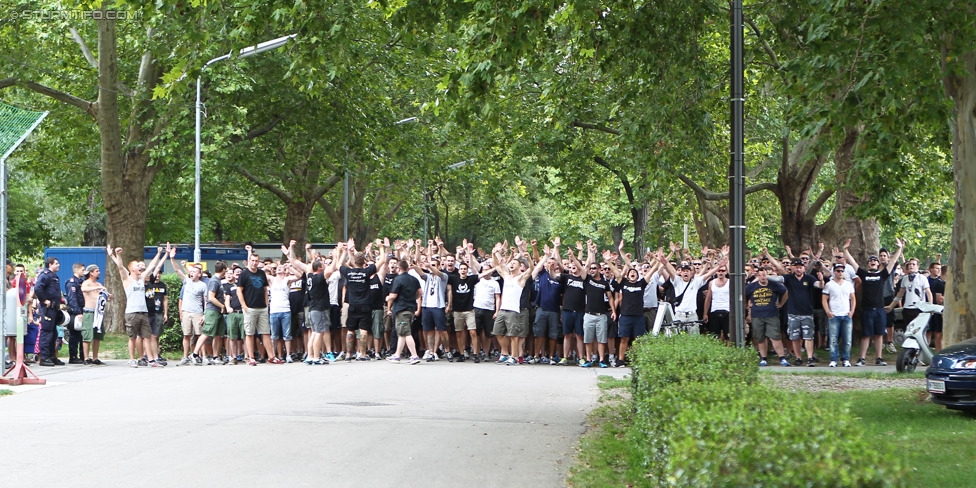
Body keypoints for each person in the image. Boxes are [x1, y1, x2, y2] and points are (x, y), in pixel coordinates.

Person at [843, 238, 903, 366]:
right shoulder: (864, 274)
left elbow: (892, 262)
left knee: (879, 334)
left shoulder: (882, 275)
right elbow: (853, 262)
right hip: (867, 309)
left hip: (880, 309)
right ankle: (862, 358)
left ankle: (879, 358)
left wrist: (899, 248)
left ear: (878, 263)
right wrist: (845, 250)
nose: (873, 262)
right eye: (871, 261)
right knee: (866, 335)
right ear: (868, 264)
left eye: (875, 261)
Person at [109, 245, 166, 368]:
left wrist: (159, 253)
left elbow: (151, 266)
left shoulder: (142, 279)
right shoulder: (127, 279)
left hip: (143, 312)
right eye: (136, 266)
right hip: (132, 312)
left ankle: (151, 360)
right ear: (131, 269)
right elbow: (120, 266)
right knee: (133, 337)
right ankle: (132, 359)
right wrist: (117, 255)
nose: (140, 267)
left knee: (147, 337)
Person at [769, 254, 822, 367]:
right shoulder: (788, 278)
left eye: (800, 267)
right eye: (796, 267)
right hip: (793, 313)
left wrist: (821, 281)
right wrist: (764, 276)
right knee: (795, 337)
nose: (798, 269)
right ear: (792, 267)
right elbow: (777, 279)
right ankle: (798, 358)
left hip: (807, 312)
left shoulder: (809, 278)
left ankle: (809, 358)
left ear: (804, 267)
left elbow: (819, 285)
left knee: (808, 337)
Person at [169, 247, 208, 365]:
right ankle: (185, 357)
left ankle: (203, 357)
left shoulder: (203, 285)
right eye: (190, 272)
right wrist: (172, 257)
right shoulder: (186, 281)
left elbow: (206, 301)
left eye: (194, 272)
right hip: (186, 312)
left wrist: (205, 314)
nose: (191, 273)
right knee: (186, 335)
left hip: (198, 312)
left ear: (199, 274)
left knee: (199, 335)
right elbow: (177, 269)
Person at [745, 266, 790, 367]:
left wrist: (781, 304)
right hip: (757, 315)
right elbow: (744, 295)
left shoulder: (774, 285)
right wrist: (747, 305)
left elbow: (785, 292)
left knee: (775, 337)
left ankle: (782, 358)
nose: (763, 277)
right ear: (757, 276)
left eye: (764, 275)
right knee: (760, 338)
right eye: (760, 275)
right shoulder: (751, 287)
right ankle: (764, 358)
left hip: (771, 315)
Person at [530, 239, 564, 365]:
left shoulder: (560, 278)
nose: (550, 264)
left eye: (552, 263)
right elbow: (537, 260)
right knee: (538, 333)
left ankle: (550, 357)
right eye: (549, 262)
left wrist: (556, 248)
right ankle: (536, 356)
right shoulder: (543, 274)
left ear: (556, 265)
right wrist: (536, 248)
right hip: (541, 308)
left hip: (554, 310)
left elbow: (563, 296)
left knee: (553, 335)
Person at [237, 252, 275, 366]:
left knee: (266, 333)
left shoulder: (262, 273)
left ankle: (271, 357)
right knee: (250, 333)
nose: (254, 263)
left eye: (256, 261)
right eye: (252, 260)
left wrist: (266, 303)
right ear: (249, 261)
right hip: (250, 307)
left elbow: (264, 289)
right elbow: (239, 290)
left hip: (262, 307)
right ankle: (251, 357)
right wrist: (244, 306)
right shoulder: (244, 274)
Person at [385, 258, 423, 364]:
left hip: (402, 309)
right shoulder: (414, 279)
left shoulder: (398, 279)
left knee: (406, 332)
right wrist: (412, 298)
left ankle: (414, 356)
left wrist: (387, 298)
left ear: (399, 268)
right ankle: (397, 355)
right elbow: (420, 292)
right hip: (410, 308)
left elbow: (393, 295)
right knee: (401, 332)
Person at [823, 263, 857, 367]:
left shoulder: (848, 284)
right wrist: (828, 311)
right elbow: (824, 299)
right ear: (834, 272)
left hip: (846, 315)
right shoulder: (829, 284)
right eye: (838, 271)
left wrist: (851, 312)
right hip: (834, 315)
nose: (840, 273)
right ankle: (834, 359)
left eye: (842, 271)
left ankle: (846, 359)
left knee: (847, 339)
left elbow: (853, 298)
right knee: (833, 339)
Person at [34, 257, 64, 367]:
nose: (59, 265)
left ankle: (52, 356)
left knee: (53, 333)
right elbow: (38, 288)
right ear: (50, 264)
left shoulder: (54, 276)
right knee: (46, 332)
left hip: (54, 308)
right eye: (56, 263)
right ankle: (44, 358)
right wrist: (44, 300)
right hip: (47, 309)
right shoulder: (45, 275)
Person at [80, 265, 108, 365]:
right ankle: (86, 358)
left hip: (98, 313)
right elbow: (84, 289)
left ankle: (95, 358)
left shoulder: (98, 284)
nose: (99, 272)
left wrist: (108, 296)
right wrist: (97, 287)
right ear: (91, 273)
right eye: (97, 271)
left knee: (97, 336)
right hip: (89, 312)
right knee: (87, 335)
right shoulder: (86, 283)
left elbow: (103, 296)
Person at [64, 263, 86, 364]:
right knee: (74, 334)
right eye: (82, 269)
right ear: (76, 270)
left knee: (82, 334)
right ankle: (73, 356)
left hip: (82, 309)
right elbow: (72, 299)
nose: (84, 271)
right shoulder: (72, 282)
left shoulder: (81, 282)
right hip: (75, 311)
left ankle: (82, 355)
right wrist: (77, 312)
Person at [145, 272, 169, 365]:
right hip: (150, 311)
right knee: (147, 335)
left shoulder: (162, 285)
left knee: (156, 334)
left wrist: (165, 313)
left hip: (159, 312)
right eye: (156, 274)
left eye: (160, 274)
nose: (158, 275)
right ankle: (146, 354)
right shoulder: (150, 284)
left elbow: (165, 299)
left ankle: (156, 354)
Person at [927, 260, 946, 352]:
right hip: (931, 309)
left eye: (940, 268)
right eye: (936, 268)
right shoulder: (928, 280)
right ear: (931, 269)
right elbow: (939, 299)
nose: (938, 270)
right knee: (931, 331)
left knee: (939, 332)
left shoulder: (941, 282)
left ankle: (939, 352)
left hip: (939, 310)